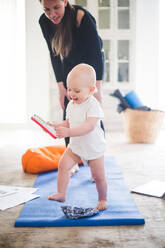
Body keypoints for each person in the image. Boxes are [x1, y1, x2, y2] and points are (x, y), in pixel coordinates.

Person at [38, 0, 105, 146]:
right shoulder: (44, 21)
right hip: (69, 60)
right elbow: (54, 54)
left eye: (56, 8)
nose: (52, 14)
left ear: (65, 2)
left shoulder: (81, 16)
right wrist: (61, 88)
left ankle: (97, 150)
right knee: (70, 104)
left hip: (91, 62)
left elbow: (95, 54)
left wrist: (97, 90)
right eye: (47, 9)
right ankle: (72, 151)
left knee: (91, 105)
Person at [47, 63, 107, 210]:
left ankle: (102, 199)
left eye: (77, 91)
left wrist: (67, 133)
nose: (72, 94)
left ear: (91, 90)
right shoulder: (72, 104)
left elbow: (89, 126)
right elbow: (69, 122)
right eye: (69, 89)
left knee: (98, 176)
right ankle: (61, 193)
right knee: (63, 166)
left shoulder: (93, 105)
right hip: (76, 146)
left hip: (93, 147)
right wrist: (57, 126)